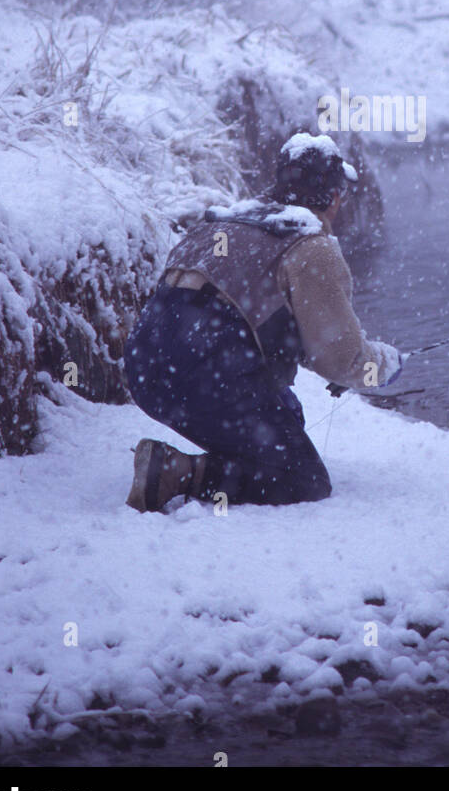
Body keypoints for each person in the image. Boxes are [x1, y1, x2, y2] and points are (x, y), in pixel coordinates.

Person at [123, 132, 403, 512]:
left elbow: (247, 312)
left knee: (288, 413)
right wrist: (384, 366)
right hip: (199, 374)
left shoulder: (223, 221)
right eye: (343, 194)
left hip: (144, 368)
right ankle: (175, 470)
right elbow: (344, 359)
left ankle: (237, 454)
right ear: (335, 197)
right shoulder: (311, 245)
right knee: (304, 479)